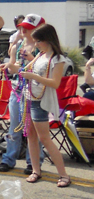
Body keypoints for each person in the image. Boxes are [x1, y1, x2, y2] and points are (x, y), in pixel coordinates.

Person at [18, 24, 72, 188]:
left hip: (40, 101)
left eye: (38, 41)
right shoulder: (40, 55)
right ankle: (36, 170)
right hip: (28, 97)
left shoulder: (57, 59)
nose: (36, 44)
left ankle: (64, 175)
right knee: (31, 137)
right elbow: (26, 71)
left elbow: (55, 83)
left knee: (44, 138)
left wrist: (32, 75)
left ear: (48, 39)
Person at [0, 14, 43, 174]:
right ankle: (9, 159)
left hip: (34, 90)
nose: (23, 30)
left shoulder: (41, 48)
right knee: (14, 127)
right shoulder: (17, 46)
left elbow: (43, 68)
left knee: (32, 129)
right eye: (22, 27)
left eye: (28, 28)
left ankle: (34, 162)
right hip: (17, 88)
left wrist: (30, 60)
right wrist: (7, 66)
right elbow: (13, 67)